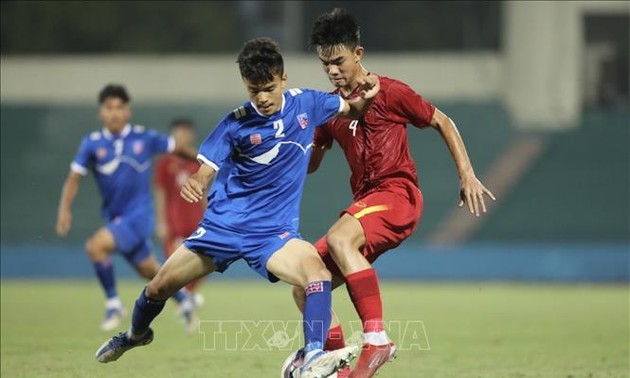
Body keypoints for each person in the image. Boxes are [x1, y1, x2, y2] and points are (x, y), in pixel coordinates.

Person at [95, 37, 380, 378]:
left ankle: (314, 359)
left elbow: (353, 108)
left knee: (315, 275)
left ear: (283, 79)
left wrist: (371, 88)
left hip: (273, 234)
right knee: (158, 288)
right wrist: (197, 183)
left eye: (269, 88)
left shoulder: (309, 104)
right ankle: (134, 335)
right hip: (222, 229)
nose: (262, 98)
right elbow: (206, 170)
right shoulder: (235, 123)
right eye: (253, 90)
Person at [291, 9, 496, 378]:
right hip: (364, 205)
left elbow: (441, 121)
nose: (333, 71)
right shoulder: (328, 108)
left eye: (338, 61)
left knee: (340, 237)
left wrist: (466, 174)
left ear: (358, 53)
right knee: (307, 284)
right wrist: (294, 147)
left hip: (398, 195)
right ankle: (335, 366)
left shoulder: (392, 92)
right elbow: (312, 164)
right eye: (325, 65)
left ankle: (377, 340)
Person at [55, 84, 198, 333]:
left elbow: (179, 148)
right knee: (151, 272)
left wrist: (207, 164)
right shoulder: (92, 143)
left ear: (127, 111)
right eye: (109, 108)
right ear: (101, 113)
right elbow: (74, 177)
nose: (114, 113)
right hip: (116, 217)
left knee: (96, 246)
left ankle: (113, 304)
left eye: (119, 108)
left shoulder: (144, 137)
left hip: (139, 216)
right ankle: (184, 301)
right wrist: (64, 209)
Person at [154, 119, 206, 301]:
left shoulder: (198, 161)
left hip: (197, 220)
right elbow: (160, 193)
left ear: (191, 136)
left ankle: (187, 296)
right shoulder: (165, 162)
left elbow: (204, 193)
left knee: (205, 261)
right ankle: (184, 298)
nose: (182, 137)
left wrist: (209, 216)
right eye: (178, 134)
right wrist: (161, 222)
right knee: (174, 264)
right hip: (174, 222)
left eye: (185, 133)